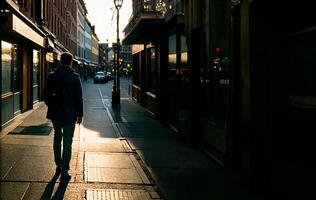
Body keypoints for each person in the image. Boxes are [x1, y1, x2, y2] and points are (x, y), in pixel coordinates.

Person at [44, 52, 83, 182]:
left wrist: (52, 105)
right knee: (67, 142)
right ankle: (65, 170)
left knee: (56, 138)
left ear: (60, 61)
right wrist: (80, 114)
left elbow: (46, 95)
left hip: (55, 114)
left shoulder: (51, 76)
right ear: (71, 62)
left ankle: (58, 164)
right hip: (69, 114)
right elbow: (78, 98)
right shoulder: (74, 77)